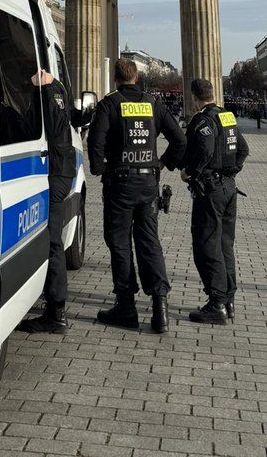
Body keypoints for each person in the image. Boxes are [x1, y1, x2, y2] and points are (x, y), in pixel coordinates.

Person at [88, 57, 186, 333]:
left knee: (119, 242)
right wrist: (163, 163)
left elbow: (96, 141)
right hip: (148, 183)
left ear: (116, 78)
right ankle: (160, 309)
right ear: (137, 77)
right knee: (149, 241)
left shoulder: (110, 103)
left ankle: (126, 307)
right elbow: (180, 139)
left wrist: (99, 169)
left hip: (119, 182)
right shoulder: (153, 103)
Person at [181, 77, 249, 326]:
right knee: (225, 245)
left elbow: (206, 150)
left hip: (210, 191)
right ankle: (229, 300)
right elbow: (243, 149)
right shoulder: (227, 116)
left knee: (206, 245)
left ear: (194, 97)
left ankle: (216, 303)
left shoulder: (202, 120)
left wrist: (191, 172)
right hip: (229, 189)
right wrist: (231, 172)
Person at [19, 68, 76, 333]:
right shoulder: (59, 90)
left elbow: (53, 127)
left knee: (53, 242)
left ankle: (57, 313)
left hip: (55, 172)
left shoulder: (54, 92)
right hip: (58, 171)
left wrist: (45, 89)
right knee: (51, 240)